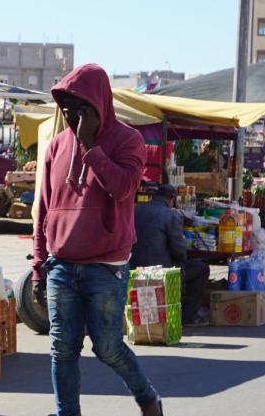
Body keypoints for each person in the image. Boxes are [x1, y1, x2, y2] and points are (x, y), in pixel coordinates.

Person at [31, 64, 162, 416]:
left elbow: (123, 188)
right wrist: (38, 266)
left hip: (105, 266)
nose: (73, 115)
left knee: (107, 348)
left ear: (99, 104)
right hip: (61, 264)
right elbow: (43, 209)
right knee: (62, 348)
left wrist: (91, 146)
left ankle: (148, 398)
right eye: (68, 107)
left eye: (81, 107)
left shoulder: (128, 140)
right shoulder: (57, 146)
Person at [130, 184, 211, 326]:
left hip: (133, 265)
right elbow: (178, 251)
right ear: (171, 200)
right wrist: (184, 257)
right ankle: (188, 317)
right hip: (160, 270)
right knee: (202, 269)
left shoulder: (137, 210)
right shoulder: (172, 215)